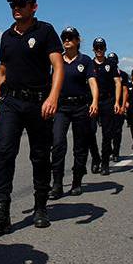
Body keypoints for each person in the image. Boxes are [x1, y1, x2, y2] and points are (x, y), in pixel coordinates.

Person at [0, 0, 64, 233]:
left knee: (39, 155)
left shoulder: (45, 31)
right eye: (13, 4)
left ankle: (40, 207)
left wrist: (52, 98)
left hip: (39, 103)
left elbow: (57, 67)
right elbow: (2, 73)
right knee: (5, 152)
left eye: (21, 3)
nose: (16, 7)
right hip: (11, 103)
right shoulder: (6, 36)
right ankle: (2, 211)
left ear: (33, 7)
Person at [49, 27, 98, 200]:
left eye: (71, 37)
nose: (67, 40)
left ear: (78, 40)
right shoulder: (56, 60)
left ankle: (77, 181)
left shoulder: (85, 60)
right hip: (61, 107)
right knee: (58, 143)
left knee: (80, 145)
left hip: (80, 106)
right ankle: (57, 184)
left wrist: (94, 101)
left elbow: (92, 82)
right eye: (64, 37)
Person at [90, 38, 122, 175]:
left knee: (107, 134)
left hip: (108, 101)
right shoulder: (89, 64)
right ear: (93, 49)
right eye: (97, 47)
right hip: (92, 102)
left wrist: (116, 102)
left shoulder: (111, 64)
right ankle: (95, 158)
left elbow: (118, 83)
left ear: (105, 49)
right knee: (89, 132)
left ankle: (105, 163)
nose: (99, 50)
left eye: (101, 47)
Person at [107, 51, 129, 162]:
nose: (112, 62)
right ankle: (109, 150)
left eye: (113, 61)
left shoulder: (123, 74)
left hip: (119, 105)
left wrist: (123, 106)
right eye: (109, 60)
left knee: (117, 130)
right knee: (107, 131)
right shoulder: (104, 72)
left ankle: (116, 152)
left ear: (117, 62)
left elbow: (125, 91)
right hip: (106, 104)